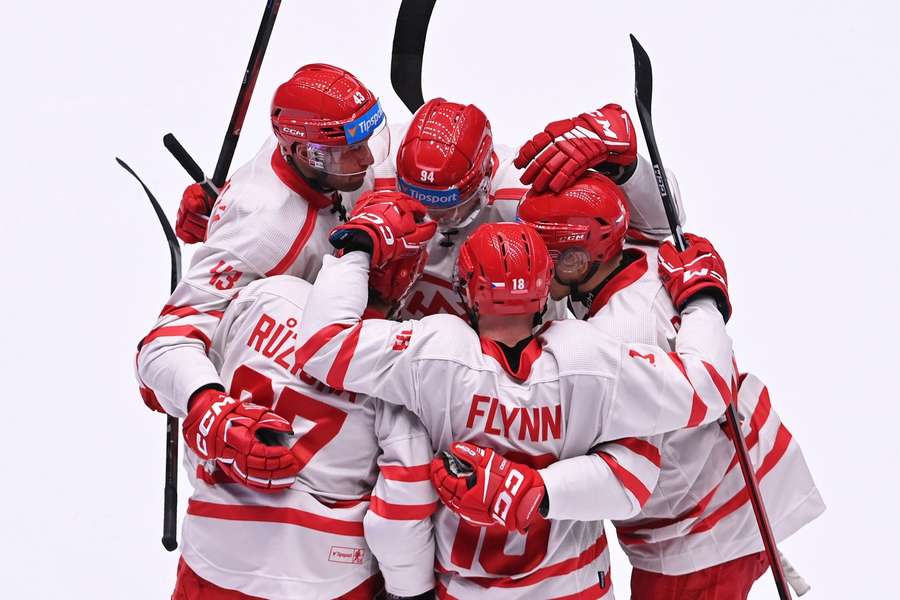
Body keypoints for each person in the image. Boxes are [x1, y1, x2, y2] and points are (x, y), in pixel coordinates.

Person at [293, 193, 736, 598]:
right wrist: (702, 298)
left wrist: (356, 245)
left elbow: (320, 346)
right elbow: (704, 394)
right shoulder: (590, 358)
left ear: (465, 292)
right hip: (575, 587)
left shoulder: (432, 354)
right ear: (544, 291)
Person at [513, 173, 825, 599]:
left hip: (699, 537)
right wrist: (627, 165)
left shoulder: (619, 334)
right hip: (733, 496)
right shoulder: (648, 252)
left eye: (546, 254)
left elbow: (621, 456)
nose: (533, 262)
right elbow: (662, 211)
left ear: (577, 261)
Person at [171, 192, 439, 599]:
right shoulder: (397, 359)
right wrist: (410, 590)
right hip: (326, 575)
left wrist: (209, 483)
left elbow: (206, 394)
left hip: (215, 548)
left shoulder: (266, 295)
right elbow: (401, 508)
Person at [137, 63, 393, 419]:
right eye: (351, 150)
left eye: (366, 141)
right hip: (301, 396)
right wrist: (204, 404)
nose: (367, 158)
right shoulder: (264, 230)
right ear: (306, 154)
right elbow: (161, 349)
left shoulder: (308, 147)